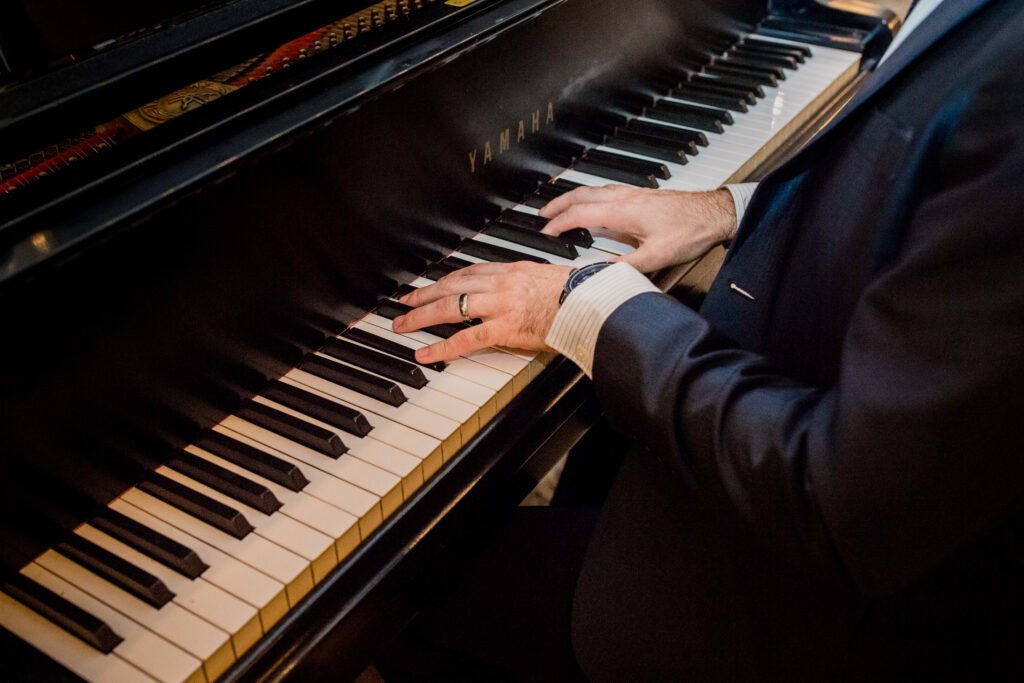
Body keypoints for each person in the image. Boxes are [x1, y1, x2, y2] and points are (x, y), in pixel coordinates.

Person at [383, 0, 1024, 679]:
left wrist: (582, 307)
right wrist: (731, 208)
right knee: (597, 447)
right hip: (794, 459)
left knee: (406, 592)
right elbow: (924, 173)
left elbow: (843, 506)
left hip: (813, 616)